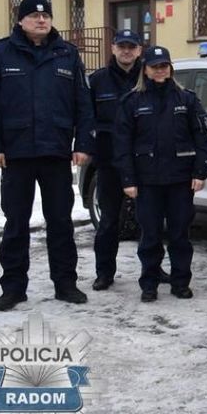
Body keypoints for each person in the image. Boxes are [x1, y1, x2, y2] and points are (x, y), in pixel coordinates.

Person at [0, 0, 96, 311]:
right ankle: (13, 288)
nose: (41, 20)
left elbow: (83, 104)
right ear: (21, 20)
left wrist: (83, 143)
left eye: (46, 16)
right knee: (16, 223)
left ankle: (65, 284)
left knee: (61, 222)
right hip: (16, 154)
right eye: (34, 16)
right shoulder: (0, 53)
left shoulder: (67, 54)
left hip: (55, 152)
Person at [113, 46, 207, 302]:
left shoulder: (186, 100)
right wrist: (128, 179)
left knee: (180, 236)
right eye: (155, 66)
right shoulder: (132, 102)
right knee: (150, 236)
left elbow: (202, 138)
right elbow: (122, 145)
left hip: (180, 180)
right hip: (147, 182)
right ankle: (149, 284)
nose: (160, 70)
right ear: (145, 69)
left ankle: (180, 283)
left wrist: (200, 172)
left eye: (164, 66)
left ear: (170, 68)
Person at [88, 29, 143, 292]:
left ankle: (153, 270)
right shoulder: (97, 81)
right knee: (109, 220)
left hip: (143, 160)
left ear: (139, 50)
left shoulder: (148, 76)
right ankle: (104, 273)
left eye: (131, 47)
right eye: (122, 46)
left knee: (150, 220)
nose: (126, 51)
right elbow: (85, 118)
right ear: (113, 48)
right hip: (109, 161)